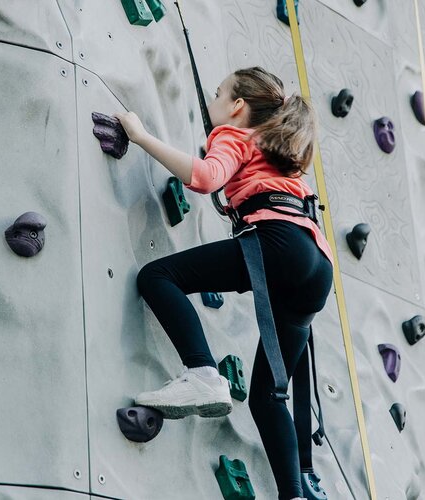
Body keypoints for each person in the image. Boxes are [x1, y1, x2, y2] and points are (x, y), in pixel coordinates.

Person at [113, 66, 334, 500]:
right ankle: (294, 493)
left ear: (236, 106)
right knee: (268, 397)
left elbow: (205, 178)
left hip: (276, 243)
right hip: (317, 267)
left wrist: (140, 136)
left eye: (217, 94)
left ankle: (202, 372)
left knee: (158, 276)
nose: (211, 103)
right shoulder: (279, 151)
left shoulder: (234, 134)